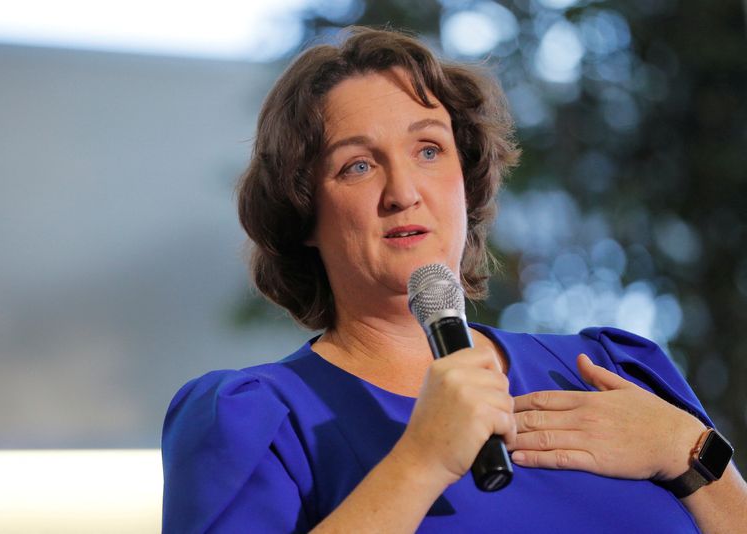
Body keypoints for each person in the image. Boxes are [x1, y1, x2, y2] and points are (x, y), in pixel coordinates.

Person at [161, 27, 747, 532]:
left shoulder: (611, 369)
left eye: (429, 150)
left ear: (466, 184)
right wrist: (420, 461)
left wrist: (690, 452)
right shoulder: (254, 421)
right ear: (303, 211)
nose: (404, 192)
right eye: (358, 165)